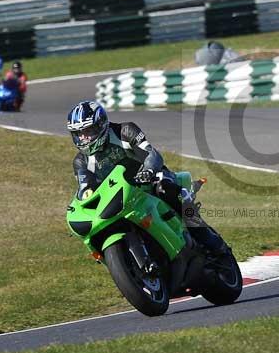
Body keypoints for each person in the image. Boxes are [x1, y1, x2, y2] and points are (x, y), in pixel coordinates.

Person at [67, 100, 226, 254]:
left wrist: (148, 171)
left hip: (150, 179)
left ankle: (208, 238)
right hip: (120, 195)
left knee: (166, 189)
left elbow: (152, 154)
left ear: (101, 124)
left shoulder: (125, 131)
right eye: (78, 134)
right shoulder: (80, 161)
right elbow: (86, 189)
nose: (83, 138)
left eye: (87, 131)